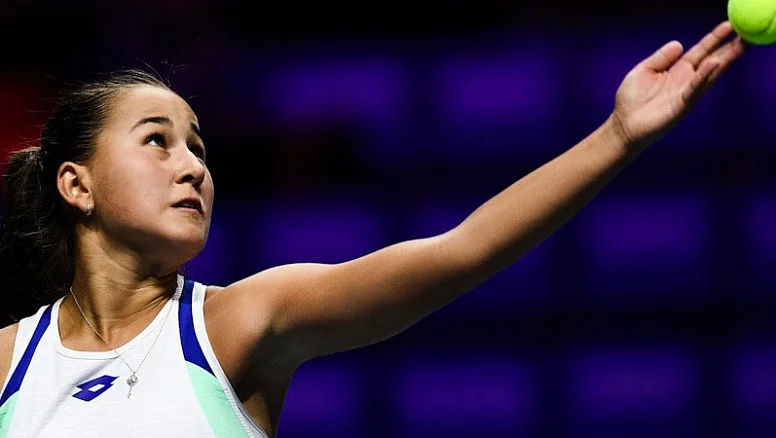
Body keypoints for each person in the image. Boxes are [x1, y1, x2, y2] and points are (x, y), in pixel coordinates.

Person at [0, 21, 745, 438]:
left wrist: (618, 135)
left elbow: (461, 251)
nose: (193, 166)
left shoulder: (236, 324)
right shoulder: (9, 361)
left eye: (198, 146)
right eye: (157, 142)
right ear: (77, 185)